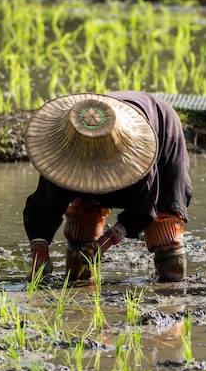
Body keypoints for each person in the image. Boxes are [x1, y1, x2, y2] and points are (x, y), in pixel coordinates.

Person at [23, 91, 192, 283]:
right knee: (80, 227)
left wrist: (108, 239)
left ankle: (172, 293)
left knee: (165, 235)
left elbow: (144, 207)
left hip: (159, 133)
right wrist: (39, 251)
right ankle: (81, 288)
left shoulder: (139, 158)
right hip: (89, 137)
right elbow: (43, 206)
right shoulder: (62, 156)